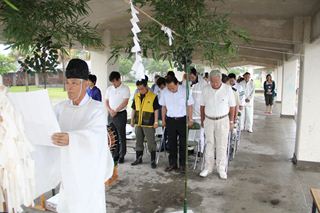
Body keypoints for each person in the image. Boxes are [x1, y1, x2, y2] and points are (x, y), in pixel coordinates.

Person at [52, 59, 114, 213]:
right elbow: (45, 122)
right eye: (67, 83)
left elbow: (96, 137)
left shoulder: (97, 109)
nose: (69, 88)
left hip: (88, 175)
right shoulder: (61, 108)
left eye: (74, 83)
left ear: (86, 84)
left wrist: (72, 138)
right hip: (68, 171)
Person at [199, 70, 236, 179]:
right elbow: (202, 106)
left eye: (216, 82)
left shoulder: (227, 89)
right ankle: (208, 168)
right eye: (212, 82)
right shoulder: (205, 89)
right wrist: (202, 120)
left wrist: (231, 121)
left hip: (223, 120)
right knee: (209, 144)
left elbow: (232, 106)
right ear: (209, 80)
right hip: (209, 120)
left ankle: (221, 169)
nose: (214, 84)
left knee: (222, 145)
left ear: (220, 79)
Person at [159, 75, 194, 174]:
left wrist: (190, 119)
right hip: (170, 120)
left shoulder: (185, 91)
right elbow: (163, 107)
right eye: (169, 88)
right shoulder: (165, 91)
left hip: (182, 120)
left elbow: (190, 105)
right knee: (171, 143)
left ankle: (183, 165)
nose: (171, 90)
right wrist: (163, 120)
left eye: (172, 88)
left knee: (183, 144)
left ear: (177, 83)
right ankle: (172, 164)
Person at [130, 79, 160, 169]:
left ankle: (153, 160)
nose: (140, 90)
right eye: (138, 89)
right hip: (138, 123)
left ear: (146, 86)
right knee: (138, 141)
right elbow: (133, 109)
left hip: (149, 123)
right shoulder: (136, 96)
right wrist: (132, 120)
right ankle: (138, 158)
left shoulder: (153, 96)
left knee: (151, 142)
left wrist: (155, 121)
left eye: (142, 88)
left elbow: (156, 110)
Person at [105, 71, 130, 163]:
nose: (113, 84)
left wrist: (116, 110)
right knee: (112, 135)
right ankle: (114, 154)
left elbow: (125, 102)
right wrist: (110, 110)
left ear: (119, 79)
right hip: (111, 114)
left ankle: (121, 155)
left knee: (121, 135)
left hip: (120, 114)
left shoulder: (125, 88)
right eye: (112, 82)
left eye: (115, 81)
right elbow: (106, 101)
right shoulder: (109, 89)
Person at [189, 67, 208, 154]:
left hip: (200, 113)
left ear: (195, 74)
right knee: (191, 132)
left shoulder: (203, 83)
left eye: (192, 76)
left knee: (200, 133)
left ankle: (200, 150)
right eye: (189, 77)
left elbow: (206, 99)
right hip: (190, 113)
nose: (191, 78)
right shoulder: (187, 83)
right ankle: (190, 149)